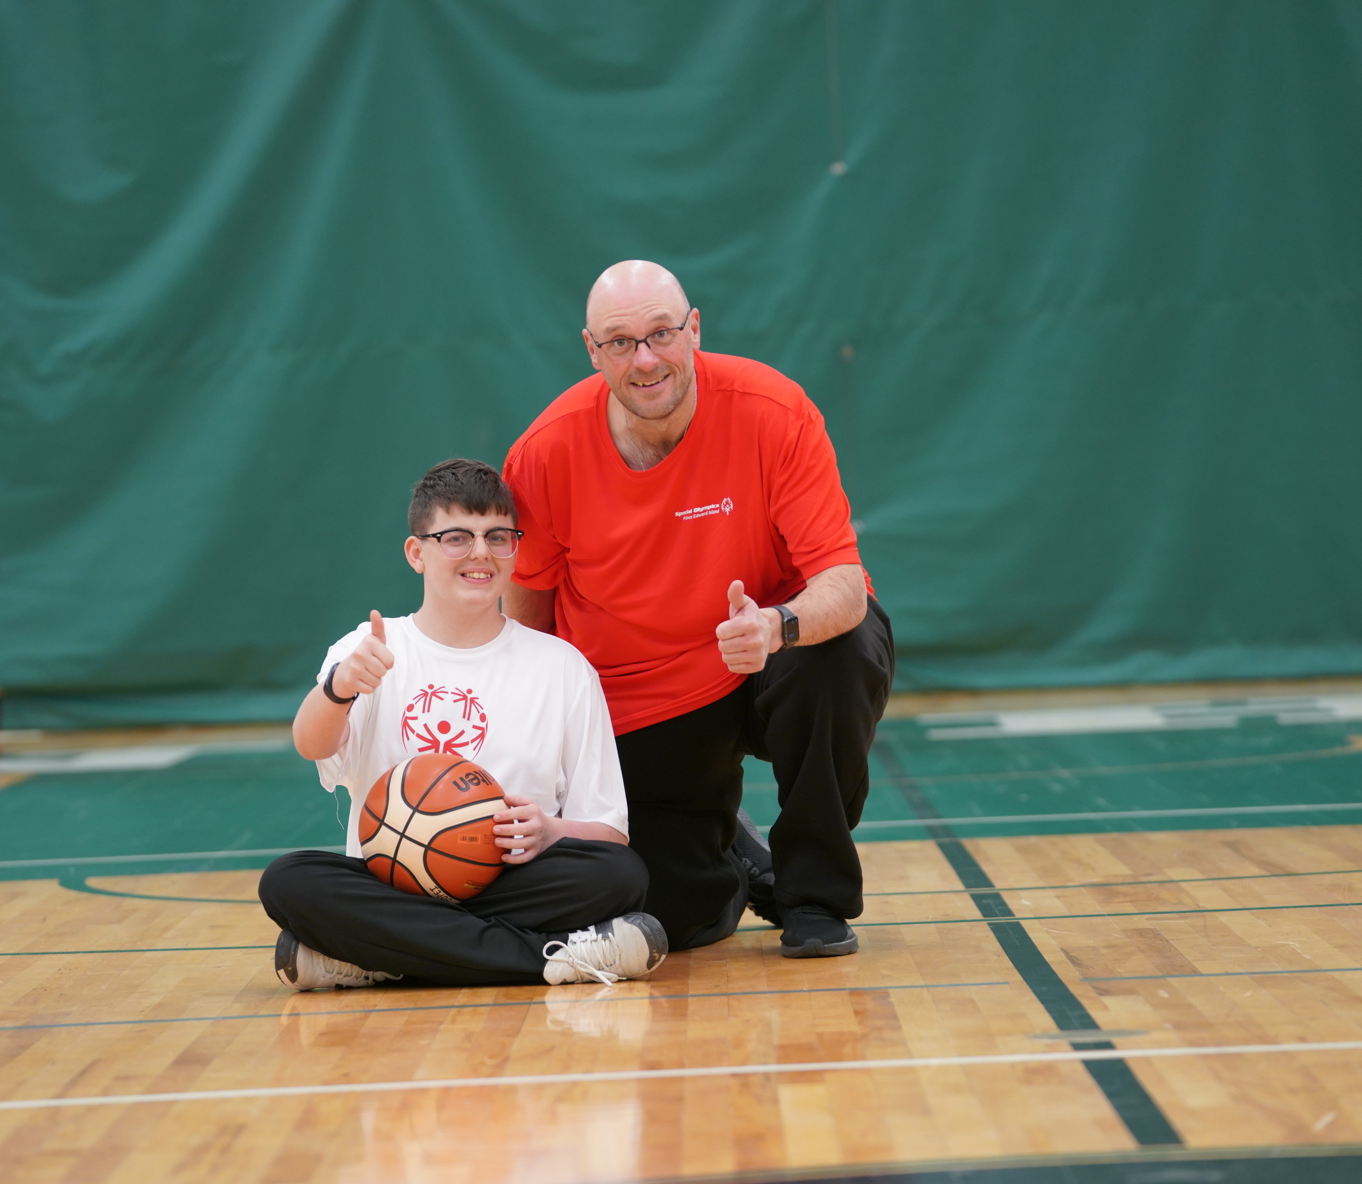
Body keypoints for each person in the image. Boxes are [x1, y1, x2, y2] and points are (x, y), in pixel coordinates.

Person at [502, 261, 896, 958]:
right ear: (593, 351)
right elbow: (527, 619)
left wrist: (778, 625)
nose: (646, 359)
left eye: (661, 334)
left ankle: (815, 897)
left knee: (843, 649)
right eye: (621, 343)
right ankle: (741, 860)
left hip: (765, 659)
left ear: (695, 330)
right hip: (643, 698)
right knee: (672, 922)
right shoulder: (545, 453)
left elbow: (841, 578)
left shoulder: (772, 410)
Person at [259, 459, 667, 990]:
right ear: (416, 553)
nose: (480, 553)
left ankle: (380, 958)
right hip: (393, 882)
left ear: (515, 551)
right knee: (289, 881)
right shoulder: (370, 649)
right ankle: (550, 958)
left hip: (511, 881)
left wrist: (551, 830)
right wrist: (339, 687)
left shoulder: (562, 666)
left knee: (619, 875)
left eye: (498, 537)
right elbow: (312, 745)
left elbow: (609, 833)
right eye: (456, 537)